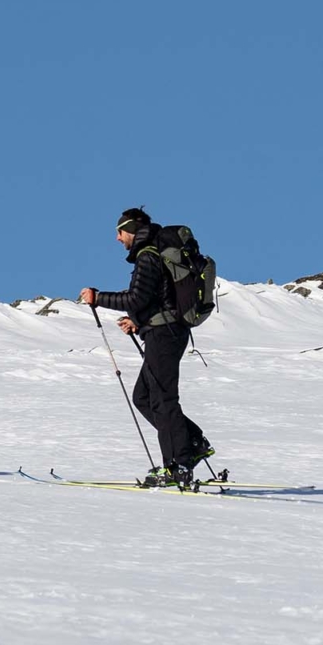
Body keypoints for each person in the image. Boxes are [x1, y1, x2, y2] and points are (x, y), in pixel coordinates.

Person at [80, 207, 212, 485]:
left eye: (119, 232)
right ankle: (192, 443)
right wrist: (138, 322)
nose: (117, 238)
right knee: (143, 397)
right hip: (163, 331)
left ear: (131, 230)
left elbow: (137, 297)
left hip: (165, 335)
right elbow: (155, 299)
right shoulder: (153, 255)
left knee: (163, 399)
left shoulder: (148, 256)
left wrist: (98, 297)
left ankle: (178, 465)